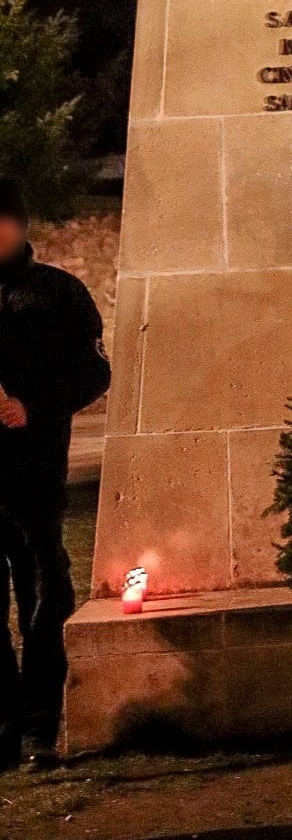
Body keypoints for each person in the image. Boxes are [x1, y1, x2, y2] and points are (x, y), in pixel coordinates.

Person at [0, 179, 111, 768]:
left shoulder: (59, 293)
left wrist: (33, 407)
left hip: (34, 469)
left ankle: (42, 714)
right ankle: (5, 719)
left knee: (44, 585)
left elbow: (93, 373)